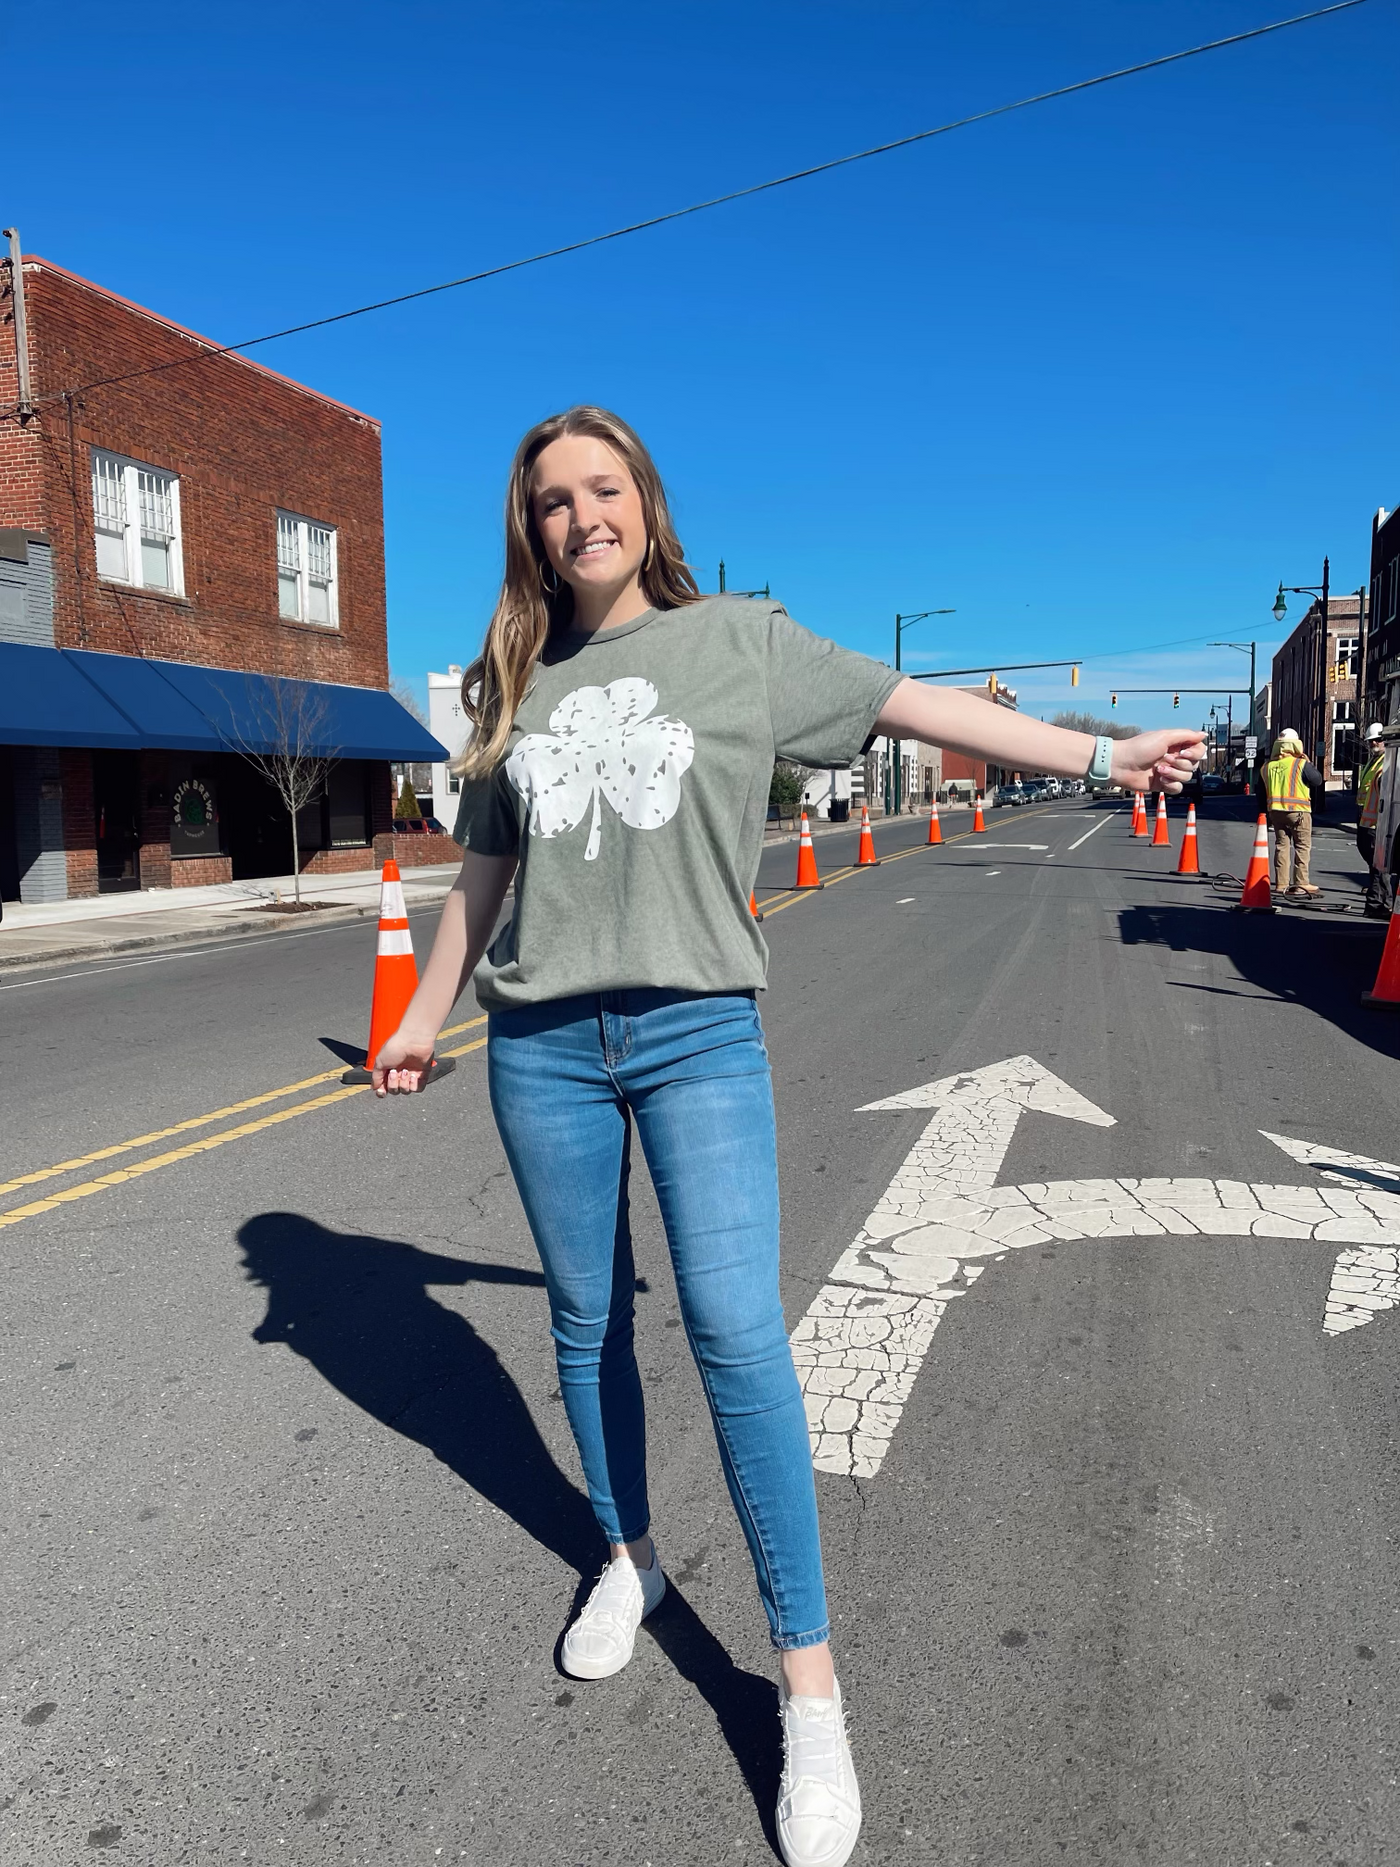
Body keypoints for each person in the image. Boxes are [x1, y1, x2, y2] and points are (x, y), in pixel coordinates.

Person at [370, 405, 1204, 1867]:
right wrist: (421, 1016)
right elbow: (480, 873)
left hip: (696, 1029)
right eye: (553, 500)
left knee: (737, 1332)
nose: (582, 517)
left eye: (604, 488)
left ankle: (806, 1684)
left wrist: (1095, 754)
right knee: (582, 1322)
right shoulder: (516, 675)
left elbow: (918, 708)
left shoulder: (741, 642)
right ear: (531, 529)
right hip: (544, 1048)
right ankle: (625, 1557)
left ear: (647, 502)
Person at [1255, 728, 1325, 897]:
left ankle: (1281, 883)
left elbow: (1260, 793)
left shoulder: (1267, 767)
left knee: (1281, 847)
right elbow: (1317, 780)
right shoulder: (1301, 764)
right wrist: (1308, 762)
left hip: (1276, 812)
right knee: (1302, 846)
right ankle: (1301, 883)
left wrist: (1264, 814)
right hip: (1299, 813)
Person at [1356, 722, 1392, 920]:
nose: (1374, 744)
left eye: (1377, 740)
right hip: (1367, 822)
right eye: (1371, 741)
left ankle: (1377, 903)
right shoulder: (1374, 761)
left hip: (1377, 822)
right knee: (1377, 866)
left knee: (1379, 866)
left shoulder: (1386, 762)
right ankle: (1378, 903)